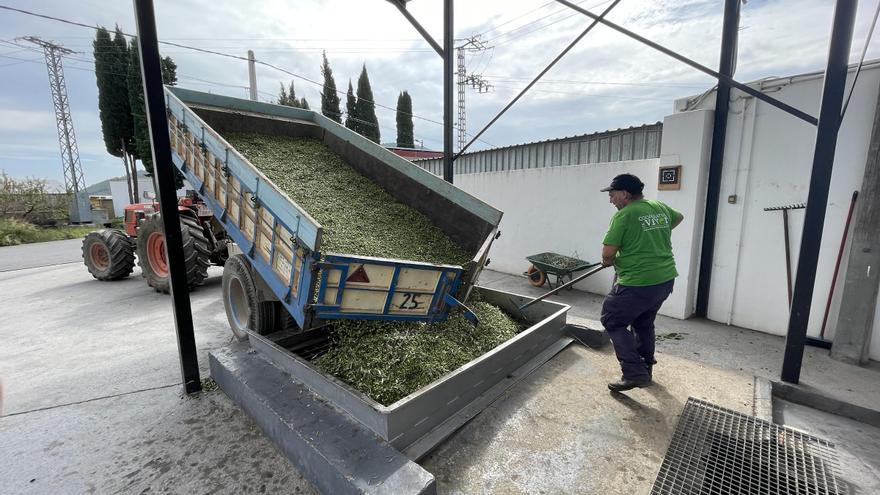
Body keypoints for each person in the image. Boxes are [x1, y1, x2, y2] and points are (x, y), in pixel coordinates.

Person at [599, 173, 683, 392]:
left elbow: (608, 254)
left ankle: (634, 373)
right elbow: (679, 217)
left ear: (625, 194)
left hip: (637, 282)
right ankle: (645, 369)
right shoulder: (658, 206)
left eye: (612, 195)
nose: (610, 200)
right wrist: (651, 234)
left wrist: (609, 262)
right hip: (664, 280)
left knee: (612, 320)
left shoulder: (625, 215)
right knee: (643, 322)